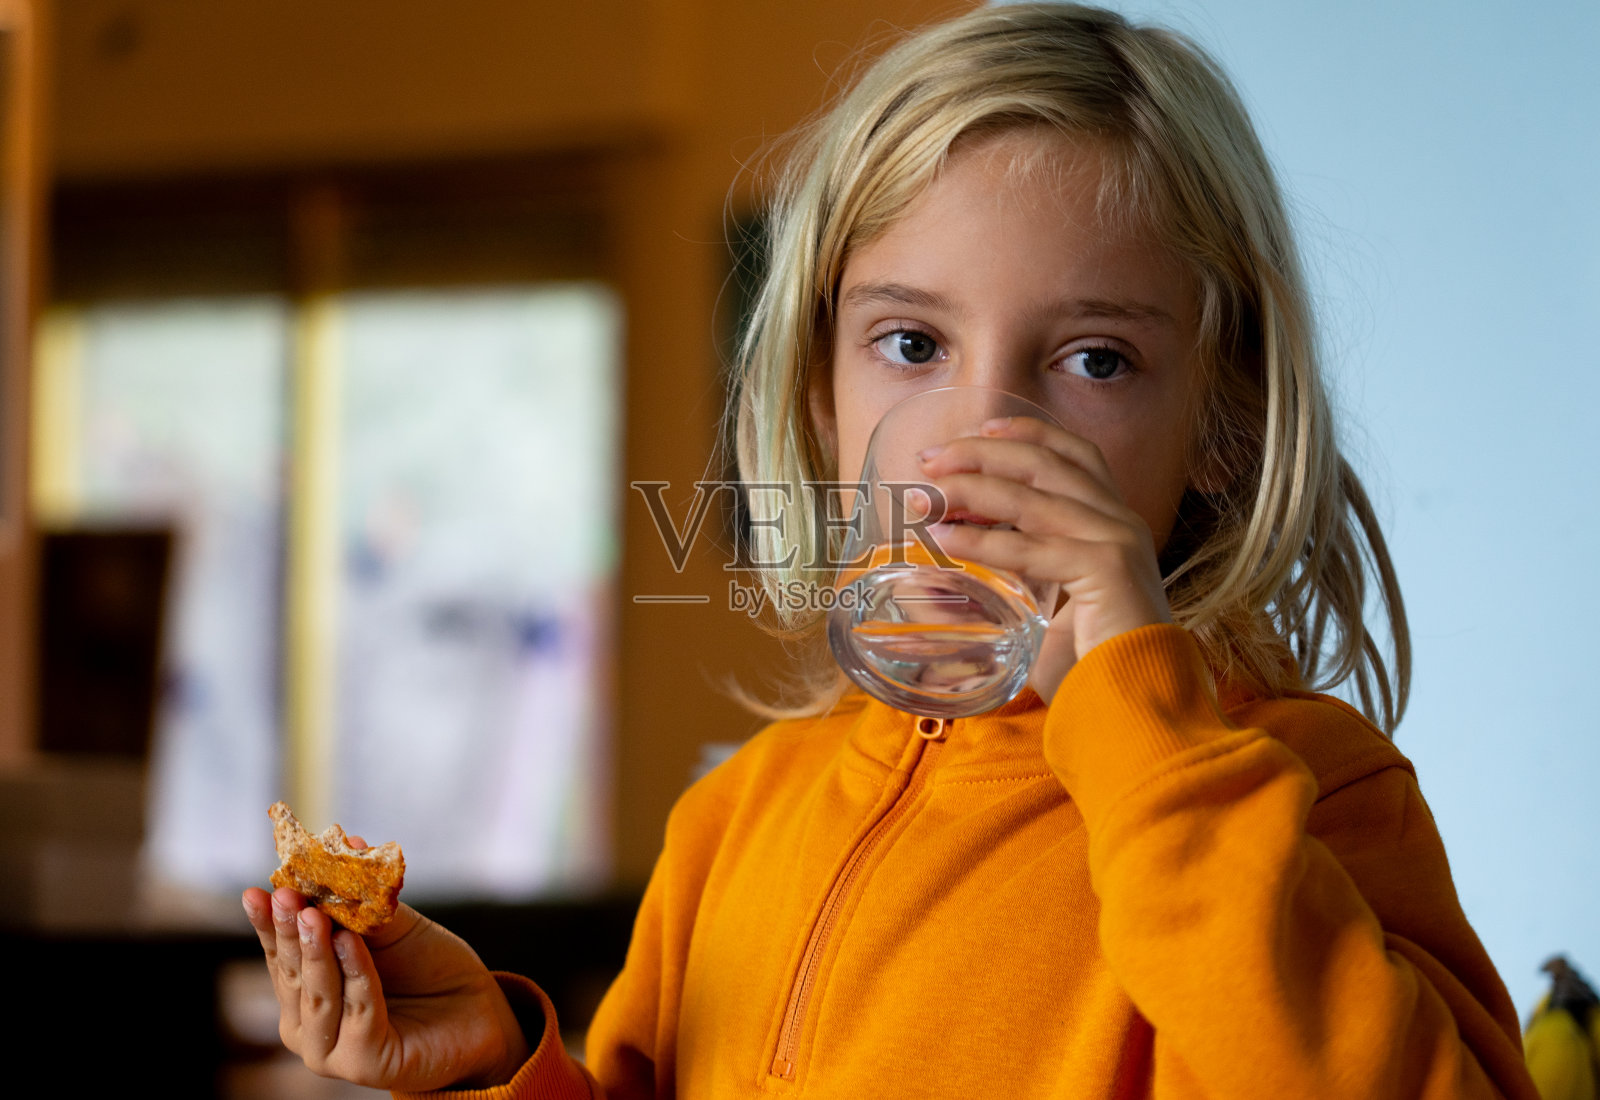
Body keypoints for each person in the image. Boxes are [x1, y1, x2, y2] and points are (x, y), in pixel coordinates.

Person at [243, 5, 1540, 1097]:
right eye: (913, 345)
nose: (984, 431)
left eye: (1095, 359)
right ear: (823, 397)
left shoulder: (1308, 792)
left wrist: (1141, 720)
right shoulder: (734, 821)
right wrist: (493, 1062)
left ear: (1222, 423)